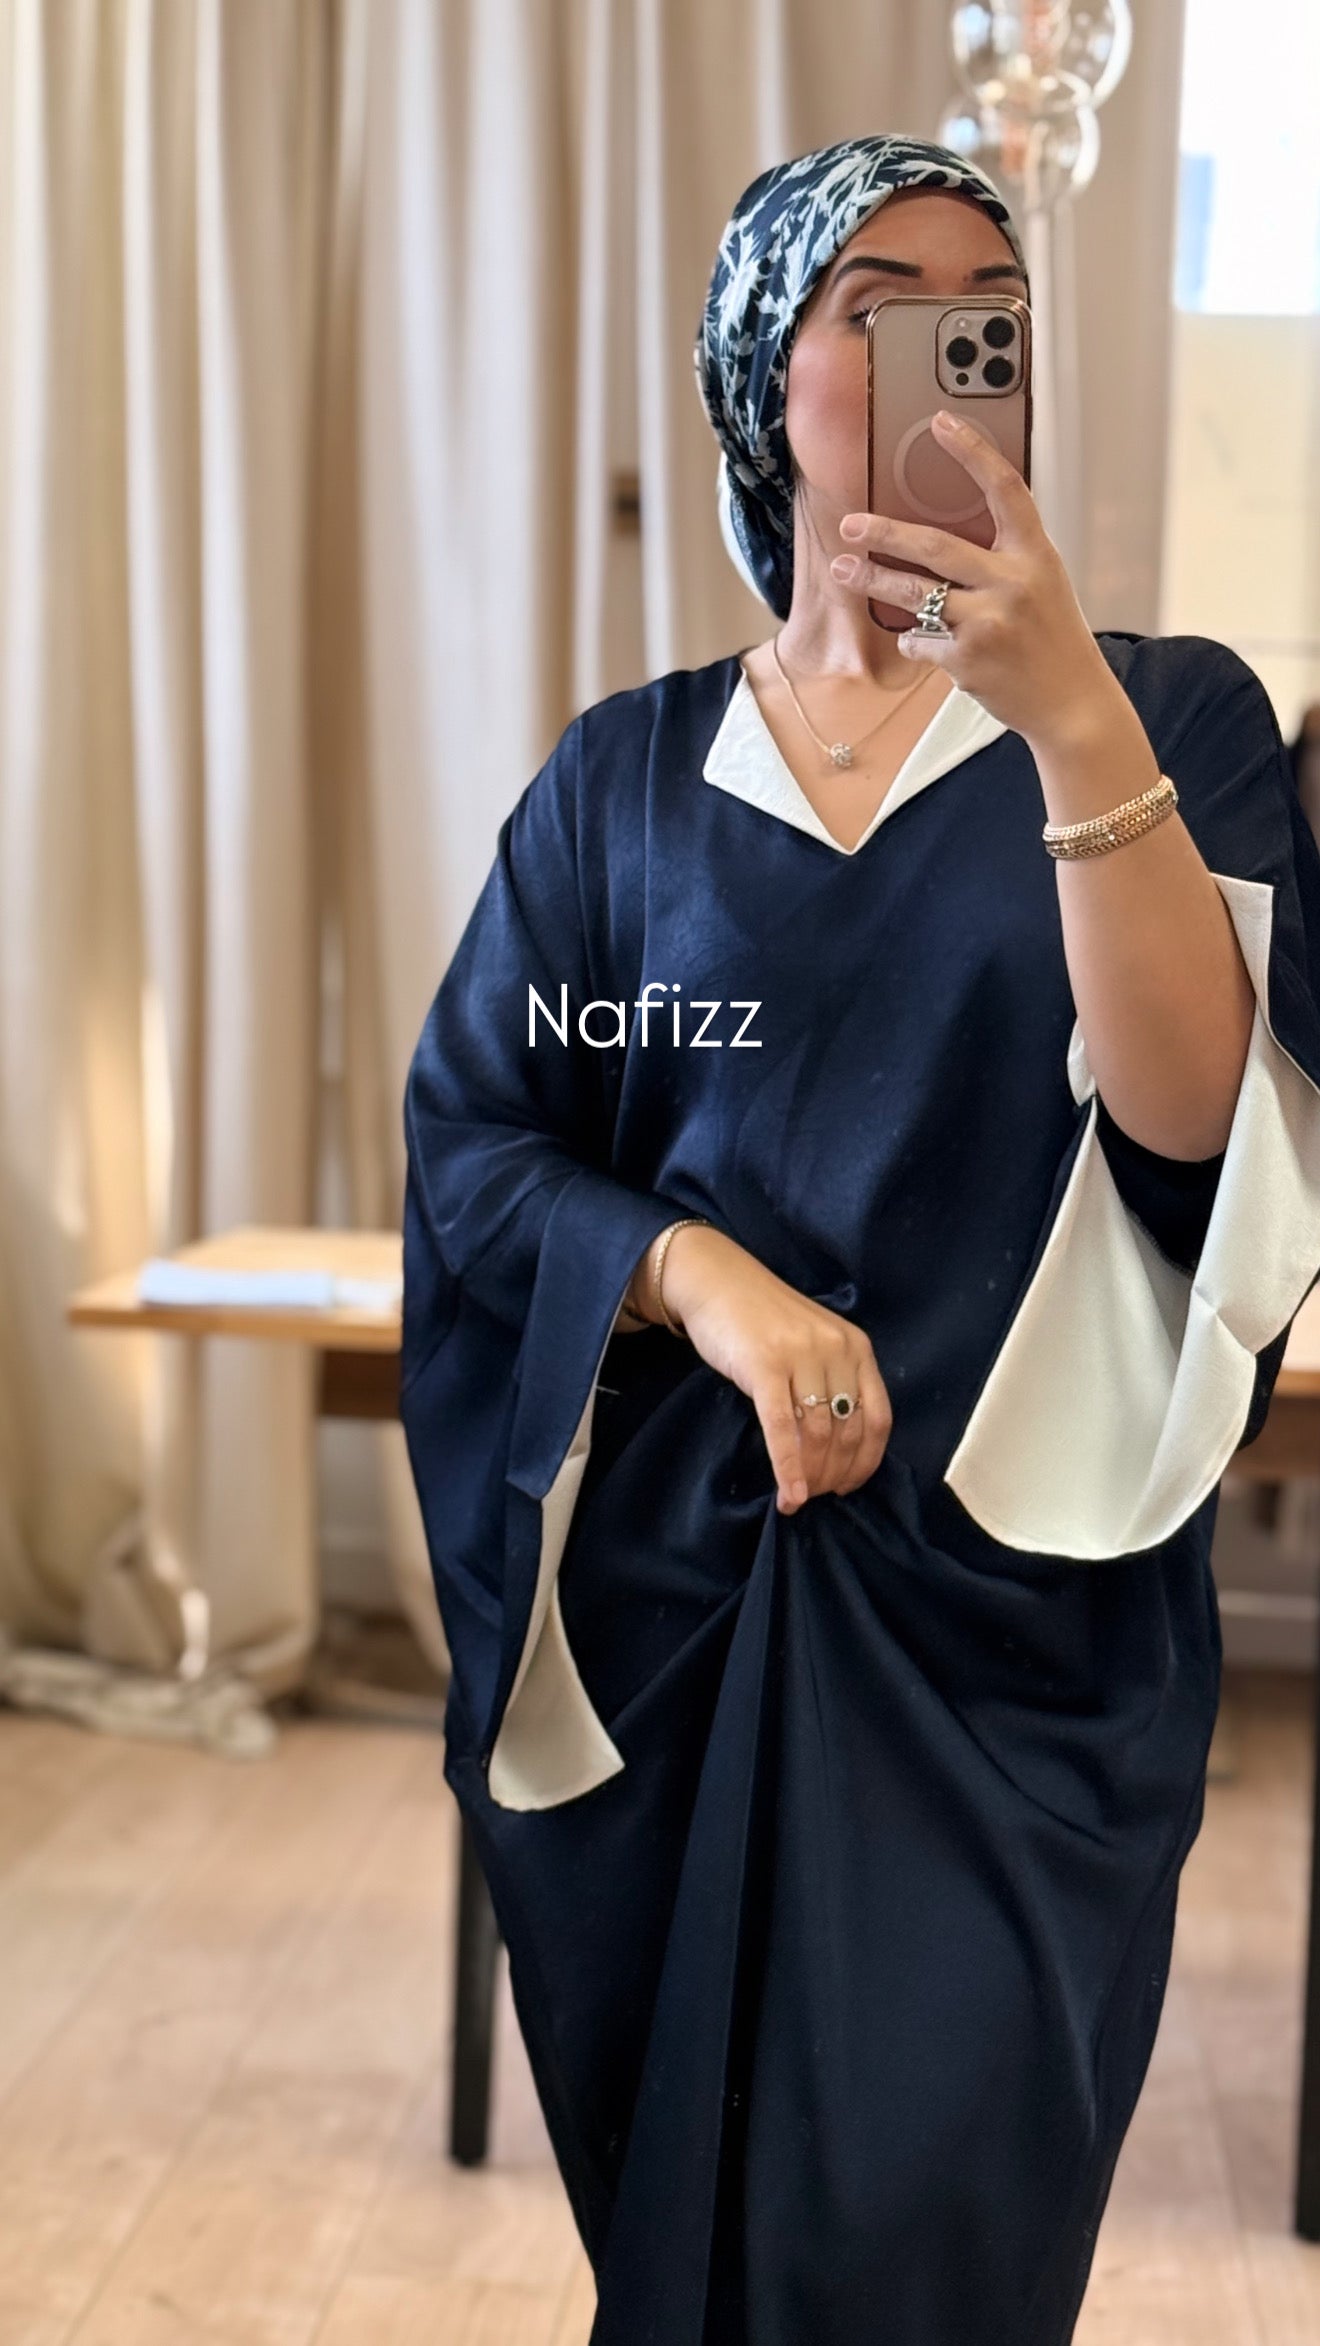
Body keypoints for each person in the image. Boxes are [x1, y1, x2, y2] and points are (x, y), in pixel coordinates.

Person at [399, 132, 1320, 2346]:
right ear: (761, 375)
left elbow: (1207, 1131)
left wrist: (1069, 716)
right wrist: (703, 1280)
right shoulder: (623, 787)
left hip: (1020, 1643)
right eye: (875, 305)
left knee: (940, 2246)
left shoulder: (1172, 716)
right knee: (690, 2250)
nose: (947, 350)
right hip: (680, 1623)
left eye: (990, 310)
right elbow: (483, 1145)